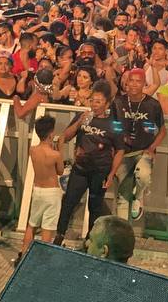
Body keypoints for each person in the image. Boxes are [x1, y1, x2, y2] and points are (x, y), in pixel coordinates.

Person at [54, 85, 124, 246]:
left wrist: (112, 173)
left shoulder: (114, 124)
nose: (94, 104)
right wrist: (79, 122)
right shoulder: (83, 116)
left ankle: (90, 241)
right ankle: (59, 235)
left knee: (95, 207)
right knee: (69, 202)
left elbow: (120, 150)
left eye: (98, 101)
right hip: (80, 170)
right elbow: (66, 136)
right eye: (92, 100)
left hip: (100, 171)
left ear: (107, 103)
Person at [111, 68, 166, 221]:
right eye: (131, 80)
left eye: (138, 81)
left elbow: (162, 131)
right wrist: (115, 148)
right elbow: (113, 127)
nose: (134, 84)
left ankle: (139, 196)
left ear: (144, 84)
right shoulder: (118, 102)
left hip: (144, 151)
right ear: (126, 83)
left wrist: (151, 148)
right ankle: (122, 230)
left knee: (144, 176)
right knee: (123, 195)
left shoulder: (152, 104)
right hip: (123, 152)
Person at [20, 115, 64, 260]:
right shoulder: (55, 155)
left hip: (38, 190)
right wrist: (60, 149)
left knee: (31, 224)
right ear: (51, 134)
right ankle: (42, 261)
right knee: (47, 229)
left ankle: (23, 254)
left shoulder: (32, 150)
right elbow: (60, 171)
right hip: (52, 193)